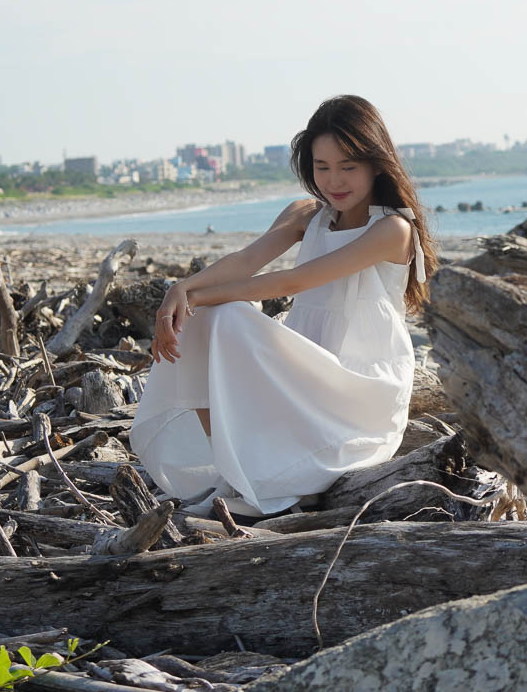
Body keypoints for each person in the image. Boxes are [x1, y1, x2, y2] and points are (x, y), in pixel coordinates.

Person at [128, 95, 436, 517]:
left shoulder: (392, 229)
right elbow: (245, 261)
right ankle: (234, 469)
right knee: (205, 316)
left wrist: (194, 297)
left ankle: (272, 478)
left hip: (357, 387)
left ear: (376, 164)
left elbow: (294, 280)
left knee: (220, 311)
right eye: (322, 166)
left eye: (348, 166)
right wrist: (179, 291)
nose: (334, 180)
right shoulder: (306, 214)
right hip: (304, 361)